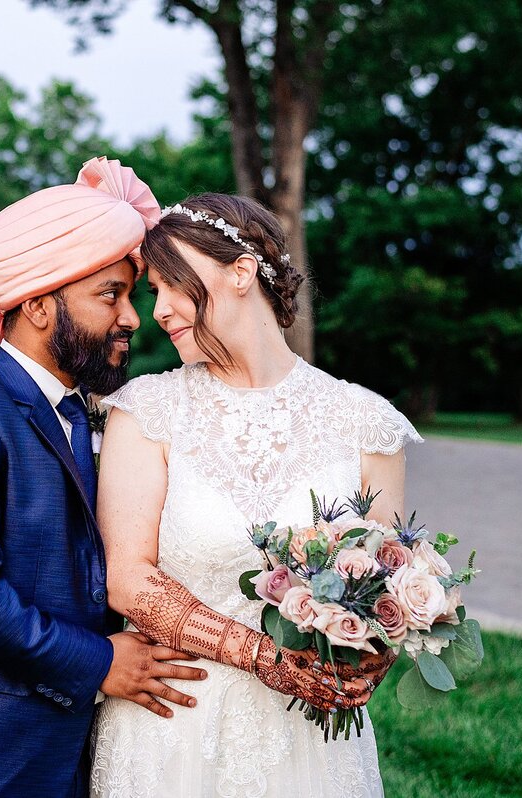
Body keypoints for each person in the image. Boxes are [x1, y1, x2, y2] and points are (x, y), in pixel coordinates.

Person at [0, 157, 211, 798]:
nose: (132, 319)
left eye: (128, 294)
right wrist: (100, 663)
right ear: (37, 305)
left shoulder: (102, 415)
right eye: (108, 295)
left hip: (84, 754)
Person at [89, 193, 420, 797]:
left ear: (241, 271)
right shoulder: (145, 412)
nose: (157, 312)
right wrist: (264, 658)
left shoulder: (366, 422)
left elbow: (389, 579)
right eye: (150, 292)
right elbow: (129, 579)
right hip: (175, 720)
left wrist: (374, 654)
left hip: (313, 739)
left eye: (172, 286)